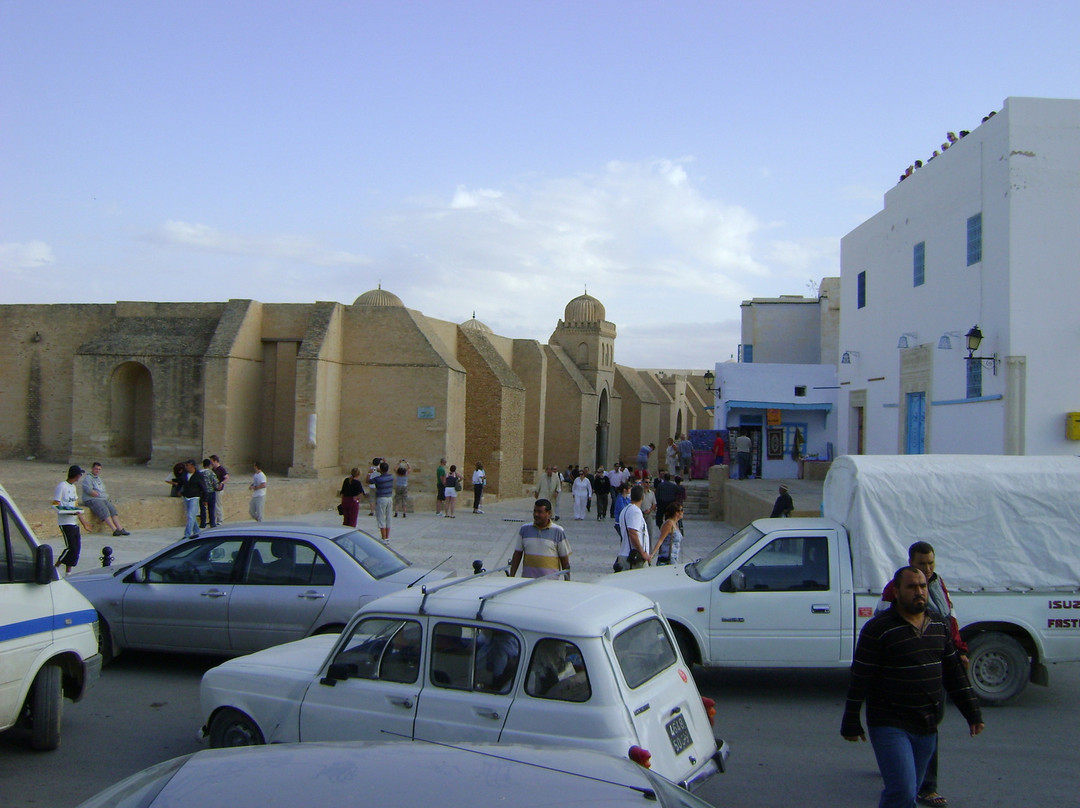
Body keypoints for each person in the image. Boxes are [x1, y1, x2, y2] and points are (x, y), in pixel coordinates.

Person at [842, 566, 984, 808]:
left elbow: (954, 674)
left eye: (922, 586)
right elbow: (860, 677)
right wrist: (851, 720)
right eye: (912, 587)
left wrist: (973, 713)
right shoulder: (878, 629)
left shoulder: (938, 625)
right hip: (889, 723)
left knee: (909, 792)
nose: (919, 592)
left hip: (927, 724)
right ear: (897, 592)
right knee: (903, 791)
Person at [877, 541, 970, 808]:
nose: (927, 569)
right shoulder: (896, 589)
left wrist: (960, 650)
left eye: (931, 563)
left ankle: (906, 769)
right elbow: (880, 626)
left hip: (935, 666)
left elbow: (950, 621)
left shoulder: (938, 585)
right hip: (905, 672)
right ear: (911, 562)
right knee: (915, 725)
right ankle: (926, 788)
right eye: (922, 564)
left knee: (930, 722)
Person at [509, 499, 571, 579]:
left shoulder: (558, 531)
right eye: (534, 511)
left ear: (549, 513)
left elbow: (564, 559)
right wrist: (511, 576)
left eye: (540, 512)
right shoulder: (524, 529)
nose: (536, 514)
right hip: (527, 580)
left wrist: (567, 581)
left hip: (550, 582)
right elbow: (517, 554)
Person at [53, 465, 91, 575]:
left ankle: (68, 572)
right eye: (79, 474)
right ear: (76, 475)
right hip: (65, 522)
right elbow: (56, 504)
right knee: (71, 547)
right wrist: (67, 511)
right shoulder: (62, 486)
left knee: (76, 549)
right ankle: (55, 567)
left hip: (74, 521)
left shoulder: (73, 488)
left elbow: (75, 506)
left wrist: (83, 522)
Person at [80, 462, 130, 536]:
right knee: (104, 509)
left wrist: (101, 494)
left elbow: (102, 490)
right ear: (92, 469)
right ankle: (114, 529)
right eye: (96, 469)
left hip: (101, 498)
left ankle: (120, 528)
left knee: (112, 509)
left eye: (99, 469)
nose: (97, 471)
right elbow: (91, 492)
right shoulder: (88, 478)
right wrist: (100, 494)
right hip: (91, 499)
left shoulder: (98, 479)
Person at [614, 484, 650, 571]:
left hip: (624, 553)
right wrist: (643, 553)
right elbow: (633, 533)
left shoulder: (625, 510)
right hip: (634, 557)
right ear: (642, 497)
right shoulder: (635, 512)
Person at [180, 459, 208, 538]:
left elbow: (204, 488)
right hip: (186, 496)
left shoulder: (198, 475)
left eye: (187, 465)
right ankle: (197, 531)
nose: (186, 467)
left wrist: (205, 499)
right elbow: (182, 483)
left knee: (190, 516)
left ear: (192, 466)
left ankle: (187, 534)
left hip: (194, 497)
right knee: (192, 516)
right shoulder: (185, 474)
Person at [372, 461, 394, 538]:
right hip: (389, 498)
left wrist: (370, 473)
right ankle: (387, 537)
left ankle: (383, 537)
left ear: (380, 469)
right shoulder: (391, 477)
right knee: (388, 517)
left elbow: (368, 481)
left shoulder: (378, 479)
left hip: (381, 498)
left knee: (381, 518)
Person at [209, 455, 229, 524]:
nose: (211, 463)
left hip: (219, 490)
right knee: (214, 505)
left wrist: (222, 483)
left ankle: (220, 519)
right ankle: (214, 519)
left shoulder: (221, 469)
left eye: (212, 461)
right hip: (214, 489)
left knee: (218, 504)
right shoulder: (213, 470)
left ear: (215, 461)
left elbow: (227, 478)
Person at [199, 459, 218, 529]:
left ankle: (202, 523)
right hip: (211, 492)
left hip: (202, 492)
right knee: (211, 508)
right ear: (209, 465)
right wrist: (216, 487)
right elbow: (215, 482)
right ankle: (212, 523)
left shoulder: (199, 473)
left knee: (202, 509)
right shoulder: (211, 473)